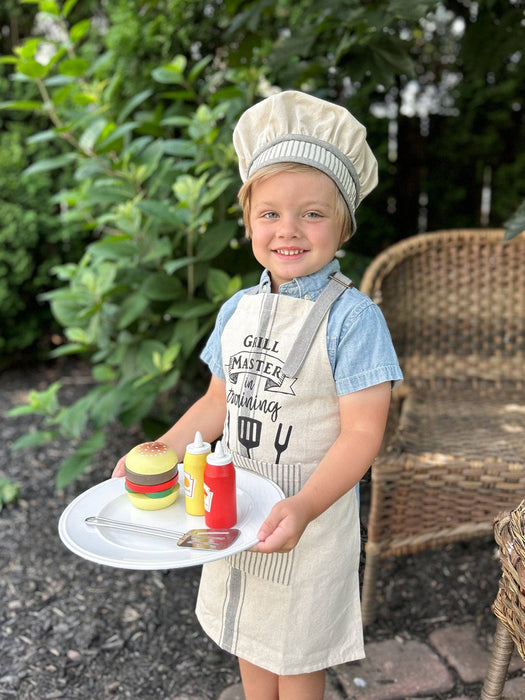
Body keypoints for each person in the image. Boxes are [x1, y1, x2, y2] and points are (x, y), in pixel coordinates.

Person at [112, 90, 403, 700]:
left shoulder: (354, 320)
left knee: (296, 646)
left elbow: (362, 434)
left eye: (312, 214)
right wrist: (162, 446)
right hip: (234, 500)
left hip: (308, 512)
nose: (288, 230)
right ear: (248, 223)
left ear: (343, 223)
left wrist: (303, 507)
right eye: (269, 214)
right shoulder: (238, 310)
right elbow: (218, 401)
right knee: (248, 630)